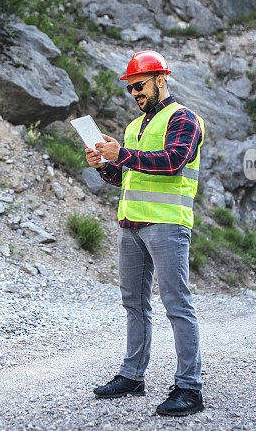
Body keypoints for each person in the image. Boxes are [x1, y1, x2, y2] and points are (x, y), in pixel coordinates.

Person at [85, 50, 205, 417]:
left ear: (160, 79)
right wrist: (105, 164)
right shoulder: (134, 127)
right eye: (131, 89)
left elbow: (172, 162)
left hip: (167, 224)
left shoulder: (184, 118)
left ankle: (190, 388)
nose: (135, 93)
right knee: (134, 303)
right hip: (131, 226)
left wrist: (122, 153)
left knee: (177, 304)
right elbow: (128, 175)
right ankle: (132, 377)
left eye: (140, 86)